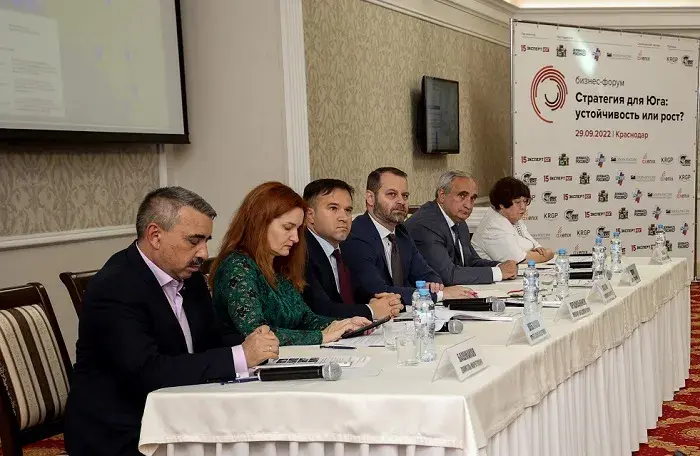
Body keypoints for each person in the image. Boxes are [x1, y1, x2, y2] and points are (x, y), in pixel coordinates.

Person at [64, 187, 279, 456]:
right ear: (155, 235)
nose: (203, 253)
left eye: (206, 240)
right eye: (194, 241)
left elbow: (209, 343)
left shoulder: (188, 276)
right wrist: (240, 356)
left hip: (178, 413)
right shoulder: (115, 286)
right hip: (122, 432)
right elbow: (147, 371)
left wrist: (254, 345)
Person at [210, 181, 370, 346]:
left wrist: (342, 324)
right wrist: (321, 336)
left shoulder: (279, 266)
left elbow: (306, 319)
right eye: (287, 228)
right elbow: (256, 332)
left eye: (297, 229)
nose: (295, 238)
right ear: (259, 223)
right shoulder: (236, 266)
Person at [341, 167, 476, 305]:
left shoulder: (401, 232)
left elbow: (426, 274)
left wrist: (434, 284)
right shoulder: (357, 236)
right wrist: (440, 294)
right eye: (392, 194)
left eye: (405, 195)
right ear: (370, 198)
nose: (401, 201)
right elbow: (379, 292)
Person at [302, 178, 403, 319]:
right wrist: (371, 310)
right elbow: (320, 310)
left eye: (348, 210)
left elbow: (355, 293)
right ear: (310, 215)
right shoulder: (301, 253)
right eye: (333, 208)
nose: (344, 217)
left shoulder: (345, 246)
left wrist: (383, 301)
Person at [405, 170, 518, 285]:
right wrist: (498, 273)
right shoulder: (426, 225)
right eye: (462, 196)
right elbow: (447, 275)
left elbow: (471, 261)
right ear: (442, 195)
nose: (468, 205)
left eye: (472, 198)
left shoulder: (459, 221)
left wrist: (500, 266)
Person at [471, 176, 554, 263]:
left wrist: (537, 251)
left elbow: (535, 245)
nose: (523, 207)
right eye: (517, 202)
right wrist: (548, 253)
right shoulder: (493, 226)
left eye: (525, 201)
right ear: (502, 204)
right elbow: (519, 259)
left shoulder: (513, 218)